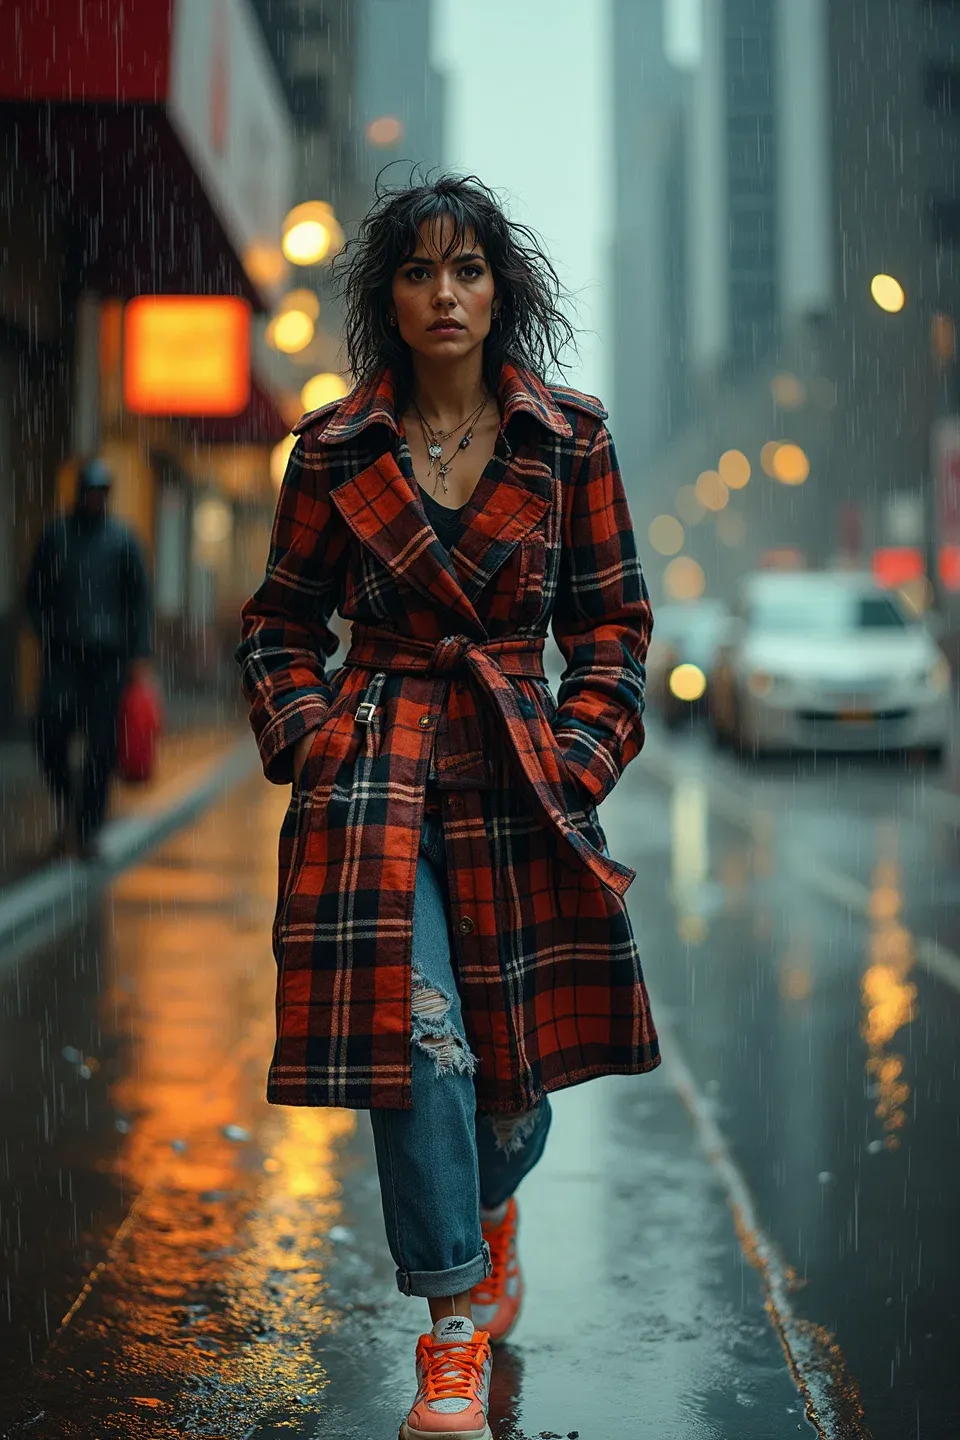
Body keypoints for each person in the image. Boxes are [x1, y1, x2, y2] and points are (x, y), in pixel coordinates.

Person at [236, 173, 659, 1440]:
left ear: (500, 288)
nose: (445, 293)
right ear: (389, 297)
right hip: (377, 783)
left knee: (509, 1096)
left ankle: (488, 1204)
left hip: (522, 781)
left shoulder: (570, 439)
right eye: (419, 272)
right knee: (416, 1041)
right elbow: (278, 625)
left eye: (467, 269)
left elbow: (614, 625)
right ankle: (453, 1330)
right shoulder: (333, 448)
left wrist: (581, 755)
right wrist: (311, 738)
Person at [25, 457, 152, 857]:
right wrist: (49, 633)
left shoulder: (121, 540)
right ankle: (72, 807)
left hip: (107, 660)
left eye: (101, 493)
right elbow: (34, 594)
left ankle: (89, 826)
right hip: (64, 656)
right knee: (50, 732)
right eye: (90, 493)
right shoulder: (56, 537)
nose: (95, 500)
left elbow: (138, 601)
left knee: (101, 745)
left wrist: (136, 654)